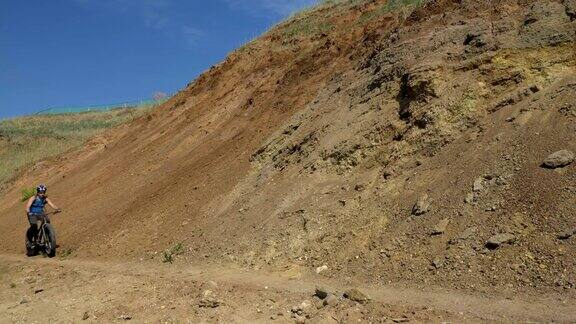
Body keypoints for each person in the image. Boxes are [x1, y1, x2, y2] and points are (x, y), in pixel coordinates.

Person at [25, 184, 61, 252]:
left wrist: (57, 209)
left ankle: (47, 235)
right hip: (32, 213)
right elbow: (28, 206)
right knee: (34, 225)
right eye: (40, 192)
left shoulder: (45, 198)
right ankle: (30, 241)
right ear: (38, 192)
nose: (42, 194)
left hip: (41, 213)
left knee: (47, 221)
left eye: (43, 192)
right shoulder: (33, 198)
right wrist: (28, 212)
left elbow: (52, 205)